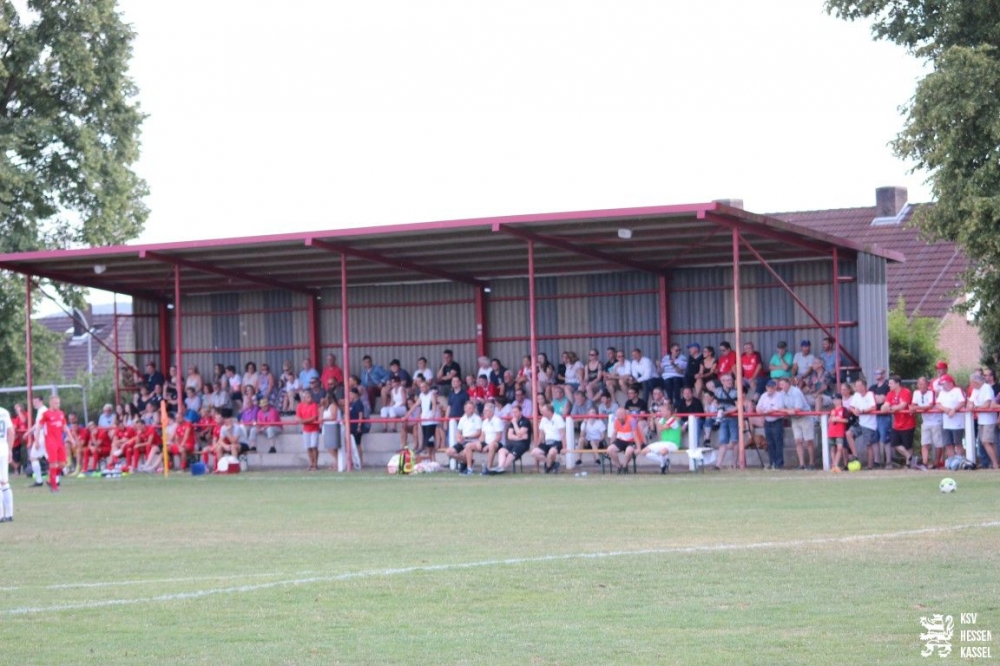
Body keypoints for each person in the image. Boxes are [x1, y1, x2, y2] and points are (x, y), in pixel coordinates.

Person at [36, 395, 77, 492]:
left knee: (63, 464)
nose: (57, 405)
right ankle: (54, 487)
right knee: (53, 464)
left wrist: (71, 438)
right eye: (55, 403)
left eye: (58, 403)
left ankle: (51, 479)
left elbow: (65, 427)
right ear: (50, 403)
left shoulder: (61, 413)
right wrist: (36, 440)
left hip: (60, 442)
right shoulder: (46, 414)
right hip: (50, 442)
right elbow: (39, 427)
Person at [779, 376, 815, 470]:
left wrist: (787, 410)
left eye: (783, 384)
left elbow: (798, 408)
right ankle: (801, 464)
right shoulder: (782, 393)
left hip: (805, 417)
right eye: (780, 384)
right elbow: (780, 408)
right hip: (794, 418)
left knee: (808, 441)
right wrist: (789, 411)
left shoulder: (796, 392)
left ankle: (812, 463)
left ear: (788, 384)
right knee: (798, 441)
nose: (781, 386)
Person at [884, 374, 915, 469]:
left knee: (908, 445)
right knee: (894, 443)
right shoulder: (890, 394)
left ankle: (909, 464)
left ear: (897, 384)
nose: (889, 385)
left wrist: (892, 408)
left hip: (907, 423)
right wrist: (885, 407)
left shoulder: (906, 392)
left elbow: (903, 405)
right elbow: (885, 405)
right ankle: (909, 457)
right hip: (897, 424)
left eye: (891, 383)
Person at [968, 371, 998, 469]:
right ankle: (994, 462)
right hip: (981, 420)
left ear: (977, 382)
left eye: (972, 383)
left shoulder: (987, 388)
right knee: (986, 442)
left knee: (986, 441)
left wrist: (975, 407)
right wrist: (972, 406)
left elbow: (987, 404)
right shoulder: (975, 390)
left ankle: (995, 463)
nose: (971, 385)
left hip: (989, 420)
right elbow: (970, 403)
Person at [912, 376, 943, 469]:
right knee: (924, 443)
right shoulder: (916, 393)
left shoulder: (931, 393)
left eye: (924, 384)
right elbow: (913, 404)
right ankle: (925, 464)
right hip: (925, 421)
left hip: (935, 421)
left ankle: (936, 463)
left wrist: (916, 408)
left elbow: (929, 406)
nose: (922, 386)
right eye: (920, 384)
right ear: (917, 385)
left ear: (928, 385)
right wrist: (913, 407)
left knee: (938, 444)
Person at [848, 378, 879, 470]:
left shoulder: (870, 394)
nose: (857, 388)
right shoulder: (856, 395)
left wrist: (863, 411)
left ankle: (870, 466)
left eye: (859, 386)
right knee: (848, 433)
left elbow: (874, 407)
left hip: (869, 424)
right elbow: (851, 407)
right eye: (856, 386)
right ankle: (855, 455)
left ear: (864, 386)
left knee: (868, 444)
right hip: (860, 422)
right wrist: (854, 411)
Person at [756, 380, 787, 470]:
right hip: (767, 421)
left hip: (777, 421)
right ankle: (772, 462)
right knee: (769, 443)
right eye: (768, 387)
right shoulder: (763, 396)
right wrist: (760, 411)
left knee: (778, 442)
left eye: (772, 387)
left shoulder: (779, 395)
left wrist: (764, 412)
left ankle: (779, 464)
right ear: (766, 387)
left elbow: (777, 408)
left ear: (775, 387)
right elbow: (758, 407)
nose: (770, 388)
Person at [493, 404, 531, 473]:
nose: (514, 414)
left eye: (516, 412)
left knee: (511, 454)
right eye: (513, 412)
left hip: (523, 444)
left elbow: (519, 433)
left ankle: (501, 469)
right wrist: (520, 438)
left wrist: (515, 423)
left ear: (520, 412)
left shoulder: (525, 421)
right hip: (514, 442)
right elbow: (509, 436)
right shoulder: (512, 421)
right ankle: (500, 467)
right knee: (501, 450)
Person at [713, 373, 741, 470]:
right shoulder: (718, 391)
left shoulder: (736, 392)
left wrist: (727, 412)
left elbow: (738, 406)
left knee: (735, 441)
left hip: (732, 418)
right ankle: (718, 465)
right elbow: (715, 402)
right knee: (723, 441)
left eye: (731, 380)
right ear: (722, 382)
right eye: (728, 380)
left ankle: (734, 464)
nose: (730, 382)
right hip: (724, 418)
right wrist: (719, 409)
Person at [936, 374, 966, 461]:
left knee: (958, 442)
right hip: (946, 423)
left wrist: (954, 410)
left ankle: (960, 460)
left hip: (958, 423)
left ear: (950, 383)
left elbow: (962, 402)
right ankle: (951, 461)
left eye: (944, 384)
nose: (942, 386)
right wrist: (945, 409)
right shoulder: (942, 393)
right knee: (948, 443)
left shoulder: (957, 390)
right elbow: (938, 404)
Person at [646, 402, 681, 474]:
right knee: (644, 451)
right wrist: (652, 419)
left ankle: (662, 466)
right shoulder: (662, 419)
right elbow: (653, 428)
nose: (661, 412)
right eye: (661, 411)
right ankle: (664, 462)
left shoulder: (673, 420)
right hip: (663, 443)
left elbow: (661, 428)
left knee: (662, 452)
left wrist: (656, 419)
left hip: (673, 443)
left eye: (663, 411)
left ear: (669, 412)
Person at [605, 406, 643, 474]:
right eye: (617, 415)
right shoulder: (617, 421)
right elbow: (614, 434)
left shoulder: (632, 421)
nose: (618, 417)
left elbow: (635, 435)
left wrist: (639, 448)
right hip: (621, 440)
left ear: (624, 414)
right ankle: (618, 466)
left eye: (620, 415)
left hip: (631, 440)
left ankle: (624, 466)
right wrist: (610, 444)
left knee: (629, 450)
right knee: (610, 449)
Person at [448, 401, 482, 475]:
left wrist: (466, 436)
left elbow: (478, 433)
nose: (471, 410)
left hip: (472, 440)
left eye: (472, 408)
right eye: (469, 408)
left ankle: (469, 468)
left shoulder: (477, 418)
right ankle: (468, 461)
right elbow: (458, 431)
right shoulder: (462, 419)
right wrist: (458, 437)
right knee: (449, 452)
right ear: (465, 409)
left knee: (466, 449)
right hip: (463, 440)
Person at [531, 403, 565, 474]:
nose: (541, 412)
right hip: (547, 442)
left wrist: (564, 447)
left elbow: (562, 434)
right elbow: (541, 434)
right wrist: (537, 445)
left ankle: (548, 468)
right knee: (534, 452)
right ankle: (552, 464)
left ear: (549, 411)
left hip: (557, 442)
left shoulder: (558, 418)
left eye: (543, 411)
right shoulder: (543, 419)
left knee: (551, 452)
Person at [296, 389, 321, 471]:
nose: (310, 398)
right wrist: (304, 421)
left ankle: (315, 464)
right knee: (308, 447)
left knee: (314, 446)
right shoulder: (300, 406)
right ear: (304, 399)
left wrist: (303, 421)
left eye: (310, 397)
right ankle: (311, 463)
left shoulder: (314, 405)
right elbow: (298, 417)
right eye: (308, 397)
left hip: (314, 429)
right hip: (306, 429)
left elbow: (314, 417)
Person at [478, 402, 504, 473]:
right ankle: (469, 468)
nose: (484, 412)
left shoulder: (497, 421)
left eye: (486, 411)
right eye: (484, 410)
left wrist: (488, 446)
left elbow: (498, 437)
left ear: (492, 411)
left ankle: (488, 468)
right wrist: (479, 442)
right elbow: (482, 436)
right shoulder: (484, 422)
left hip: (496, 443)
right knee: (469, 446)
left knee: (492, 445)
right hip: (486, 442)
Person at [0, 403, 14, 521]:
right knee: (4, 481)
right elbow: (11, 432)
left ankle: (0, 515)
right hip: (4, 448)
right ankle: (9, 514)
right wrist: (10, 449)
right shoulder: (4, 412)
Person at [828, 393, 849, 471]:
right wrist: (831, 417)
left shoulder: (844, 409)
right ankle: (834, 465)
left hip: (840, 432)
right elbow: (830, 420)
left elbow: (846, 420)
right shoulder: (832, 410)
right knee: (832, 448)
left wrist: (838, 419)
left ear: (840, 400)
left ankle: (835, 464)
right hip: (832, 431)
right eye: (833, 400)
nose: (834, 401)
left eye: (836, 399)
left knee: (839, 448)